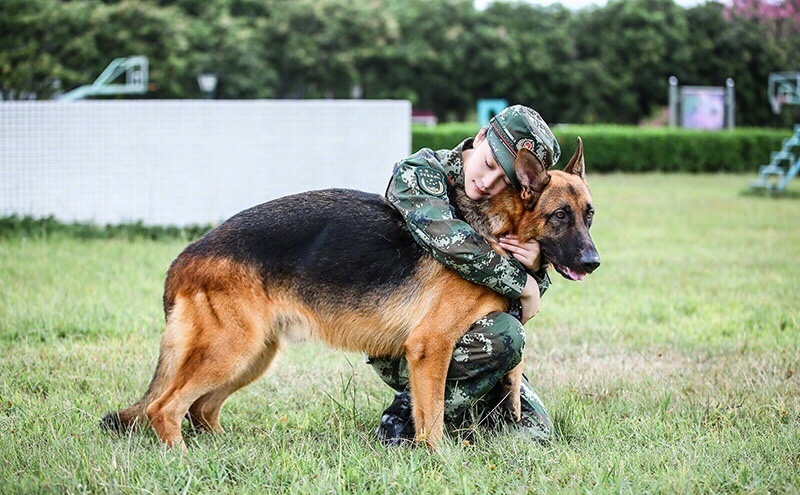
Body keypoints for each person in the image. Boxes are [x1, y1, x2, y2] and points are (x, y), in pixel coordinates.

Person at [369, 105, 561, 445]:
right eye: (488, 164)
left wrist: (536, 266)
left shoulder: (510, 202)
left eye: (506, 180)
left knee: (534, 431)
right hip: (402, 337)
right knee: (506, 335)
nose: (488, 183)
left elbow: (517, 305)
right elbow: (453, 245)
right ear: (482, 135)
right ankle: (410, 412)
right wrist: (523, 282)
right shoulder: (420, 173)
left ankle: (460, 409)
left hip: (472, 339)